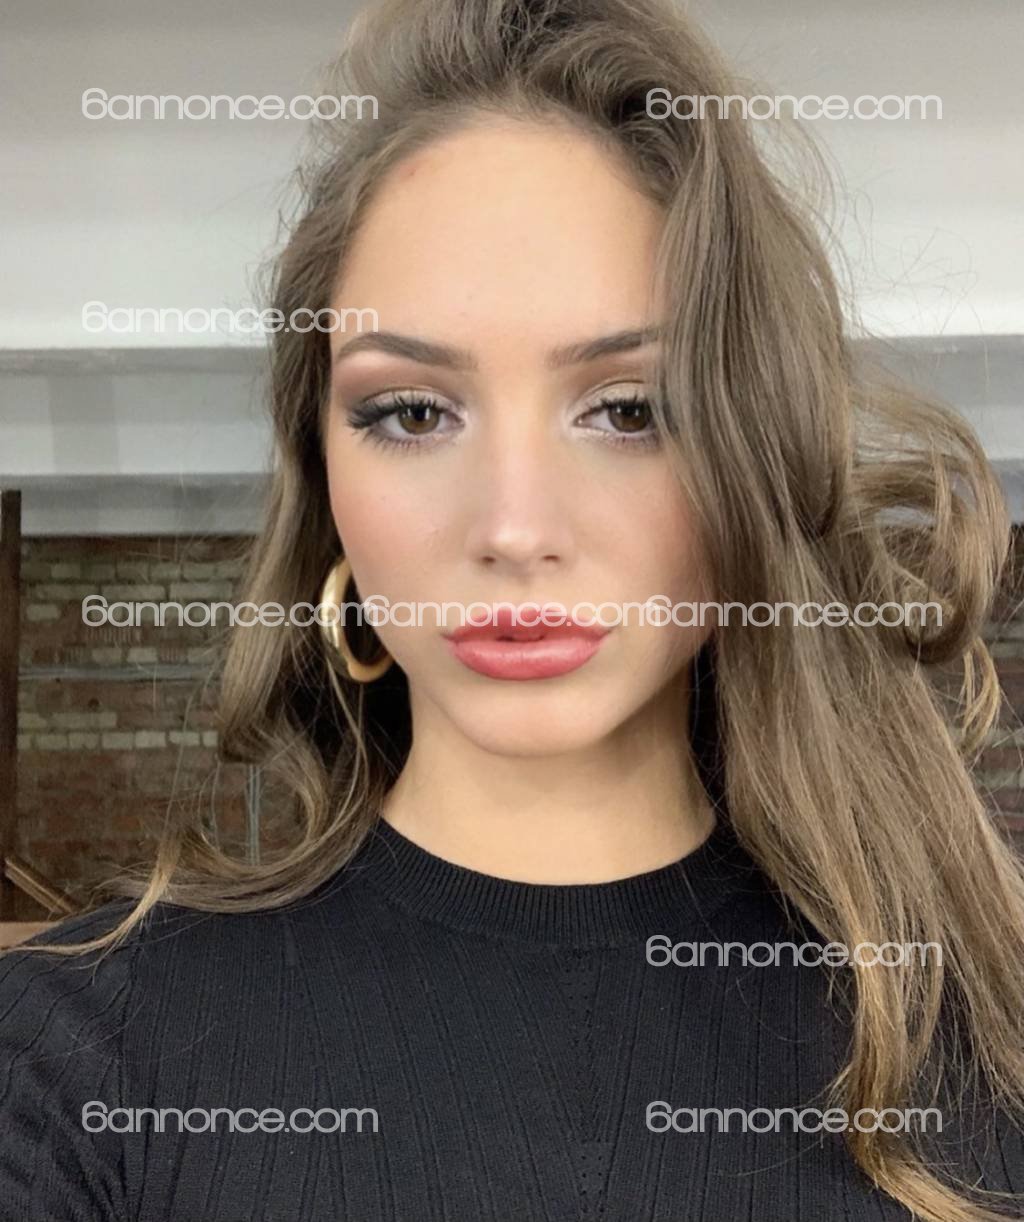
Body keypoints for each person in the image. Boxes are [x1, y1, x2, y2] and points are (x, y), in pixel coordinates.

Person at [3, 1, 1024, 1218]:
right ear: (324, 473)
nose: (513, 525)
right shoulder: (74, 1060)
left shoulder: (976, 1043)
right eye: (412, 413)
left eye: (630, 410)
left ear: (756, 458)